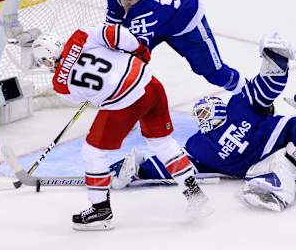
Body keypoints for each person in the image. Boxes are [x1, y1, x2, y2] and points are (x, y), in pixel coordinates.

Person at [110, 32, 296, 212]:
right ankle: (271, 188)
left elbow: (268, 86)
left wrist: (275, 59)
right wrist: (137, 168)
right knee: (279, 166)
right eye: (199, 116)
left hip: (275, 136)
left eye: (206, 110)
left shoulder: (240, 105)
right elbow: (179, 166)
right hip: (258, 164)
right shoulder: (198, 145)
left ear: (219, 106)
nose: (203, 117)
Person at [31, 24, 214, 231]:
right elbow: (116, 33)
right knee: (162, 143)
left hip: (124, 103)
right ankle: (194, 193)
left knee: (93, 151)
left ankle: (100, 210)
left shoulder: (60, 84)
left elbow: (85, 97)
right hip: (150, 85)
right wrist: (140, 50)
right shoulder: (82, 35)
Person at [105, 0, 244, 93]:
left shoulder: (148, 12)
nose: (126, 3)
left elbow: (138, 48)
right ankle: (123, 94)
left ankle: (245, 91)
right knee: (130, 59)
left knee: (215, 74)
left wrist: (118, 61)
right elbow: (110, 31)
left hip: (186, 20)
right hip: (162, 19)